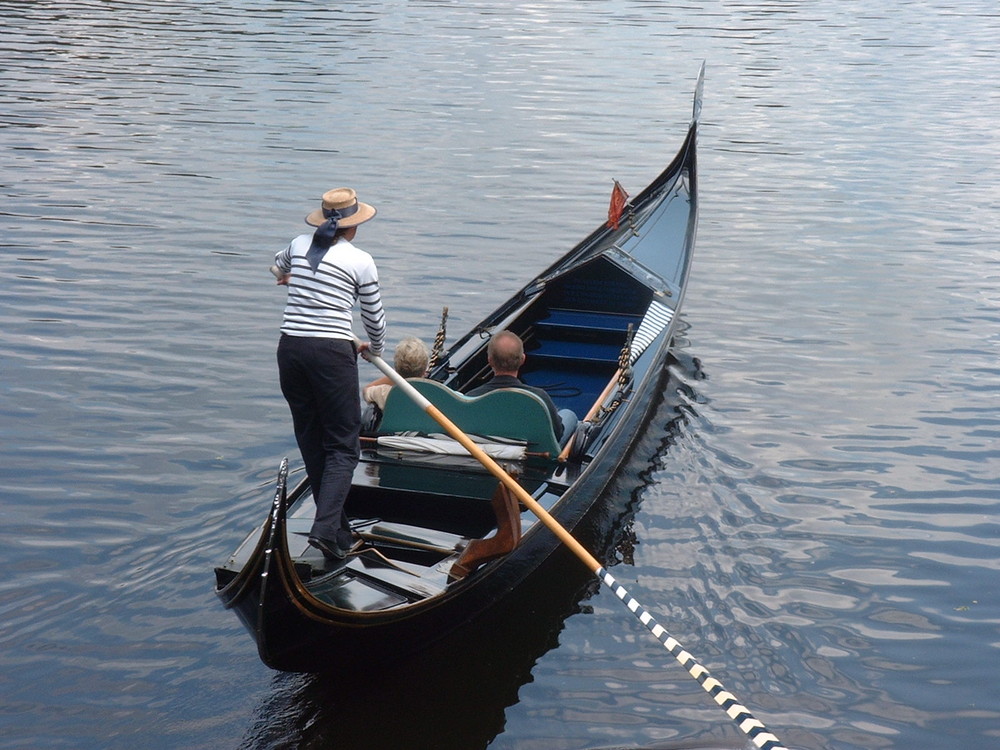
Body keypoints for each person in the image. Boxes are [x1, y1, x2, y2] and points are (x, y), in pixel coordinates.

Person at [272, 187, 386, 562]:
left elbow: (277, 265)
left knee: (312, 437)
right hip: (331, 354)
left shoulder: (298, 243)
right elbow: (373, 318)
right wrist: (376, 350)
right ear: (352, 227)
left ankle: (337, 531)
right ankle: (325, 529)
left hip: (291, 350)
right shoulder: (361, 260)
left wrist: (287, 278)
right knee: (343, 445)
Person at [466, 330, 577, 442]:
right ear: (523, 359)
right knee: (569, 414)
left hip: (488, 451)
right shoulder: (539, 397)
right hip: (537, 453)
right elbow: (557, 434)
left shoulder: (470, 398)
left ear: (490, 361)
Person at [363, 336, 430, 411]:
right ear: (424, 371)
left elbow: (366, 390)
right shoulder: (430, 395)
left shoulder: (384, 393)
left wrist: (394, 375)